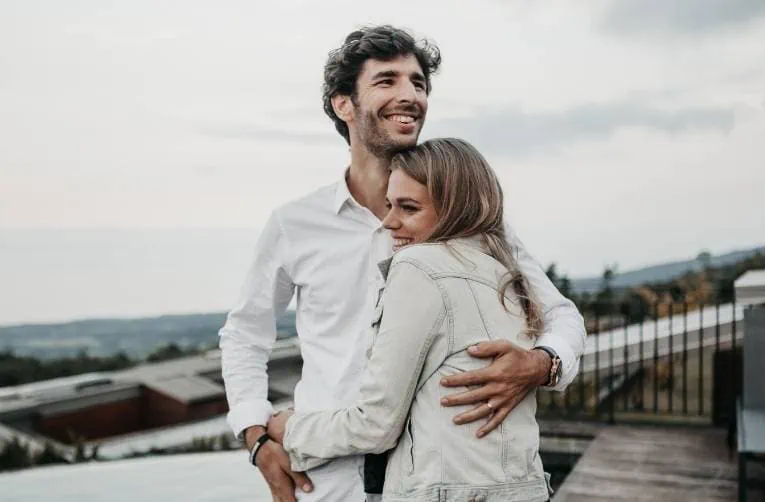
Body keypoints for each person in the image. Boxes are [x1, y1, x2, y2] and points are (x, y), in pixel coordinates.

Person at [219, 25, 586, 502]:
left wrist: (543, 364)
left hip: (435, 480)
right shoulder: (294, 224)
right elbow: (244, 335)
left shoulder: (468, 220)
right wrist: (256, 437)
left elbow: (561, 314)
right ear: (343, 105)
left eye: (418, 83)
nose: (410, 95)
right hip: (326, 478)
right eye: (387, 81)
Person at [267, 137, 555, 501]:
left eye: (409, 208)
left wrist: (290, 429)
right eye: (389, 205)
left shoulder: (418, 266)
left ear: (454, 208)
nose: (389, 222)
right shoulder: (506, 275)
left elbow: (377, 425)